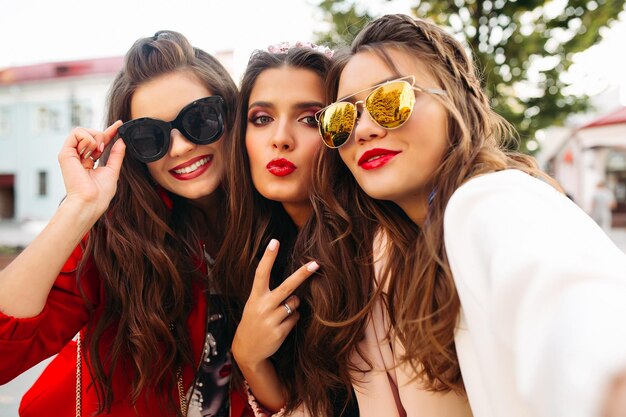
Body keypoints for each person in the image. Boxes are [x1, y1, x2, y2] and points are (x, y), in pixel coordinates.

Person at [312, 14, 626, 417]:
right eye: (343, 118)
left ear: (453, 100)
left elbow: (582, 317)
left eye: (389, 101)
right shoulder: (399, 250)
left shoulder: (487, 198)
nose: (364, 129)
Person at [0, 31, 247, 417]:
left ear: (232, 115)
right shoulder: (118, 239)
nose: (180, 147)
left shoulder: (282, 228)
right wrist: (78, 209)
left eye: (199, 119)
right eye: (152, 136)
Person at [215, 43, 364, 417]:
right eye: (261, 118)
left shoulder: (374, 248)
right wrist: (249, 357)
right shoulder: (254, 252)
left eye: (310, 119)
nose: (280, 138)